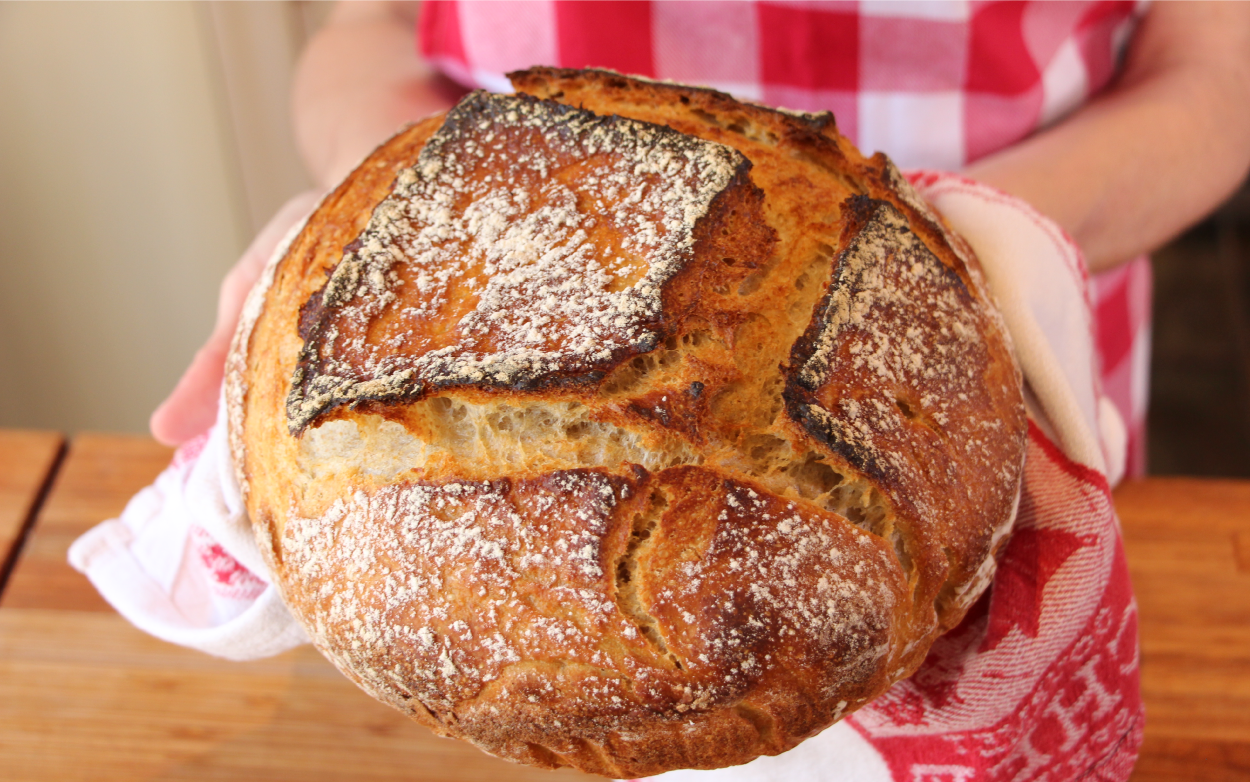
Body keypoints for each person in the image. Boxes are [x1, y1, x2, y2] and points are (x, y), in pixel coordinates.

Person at [150, 0, 1250, 474]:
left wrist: (938, 253)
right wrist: (413, 203)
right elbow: (372, 28)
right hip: (495, 338)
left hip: (991, 347)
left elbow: (1212, 69)